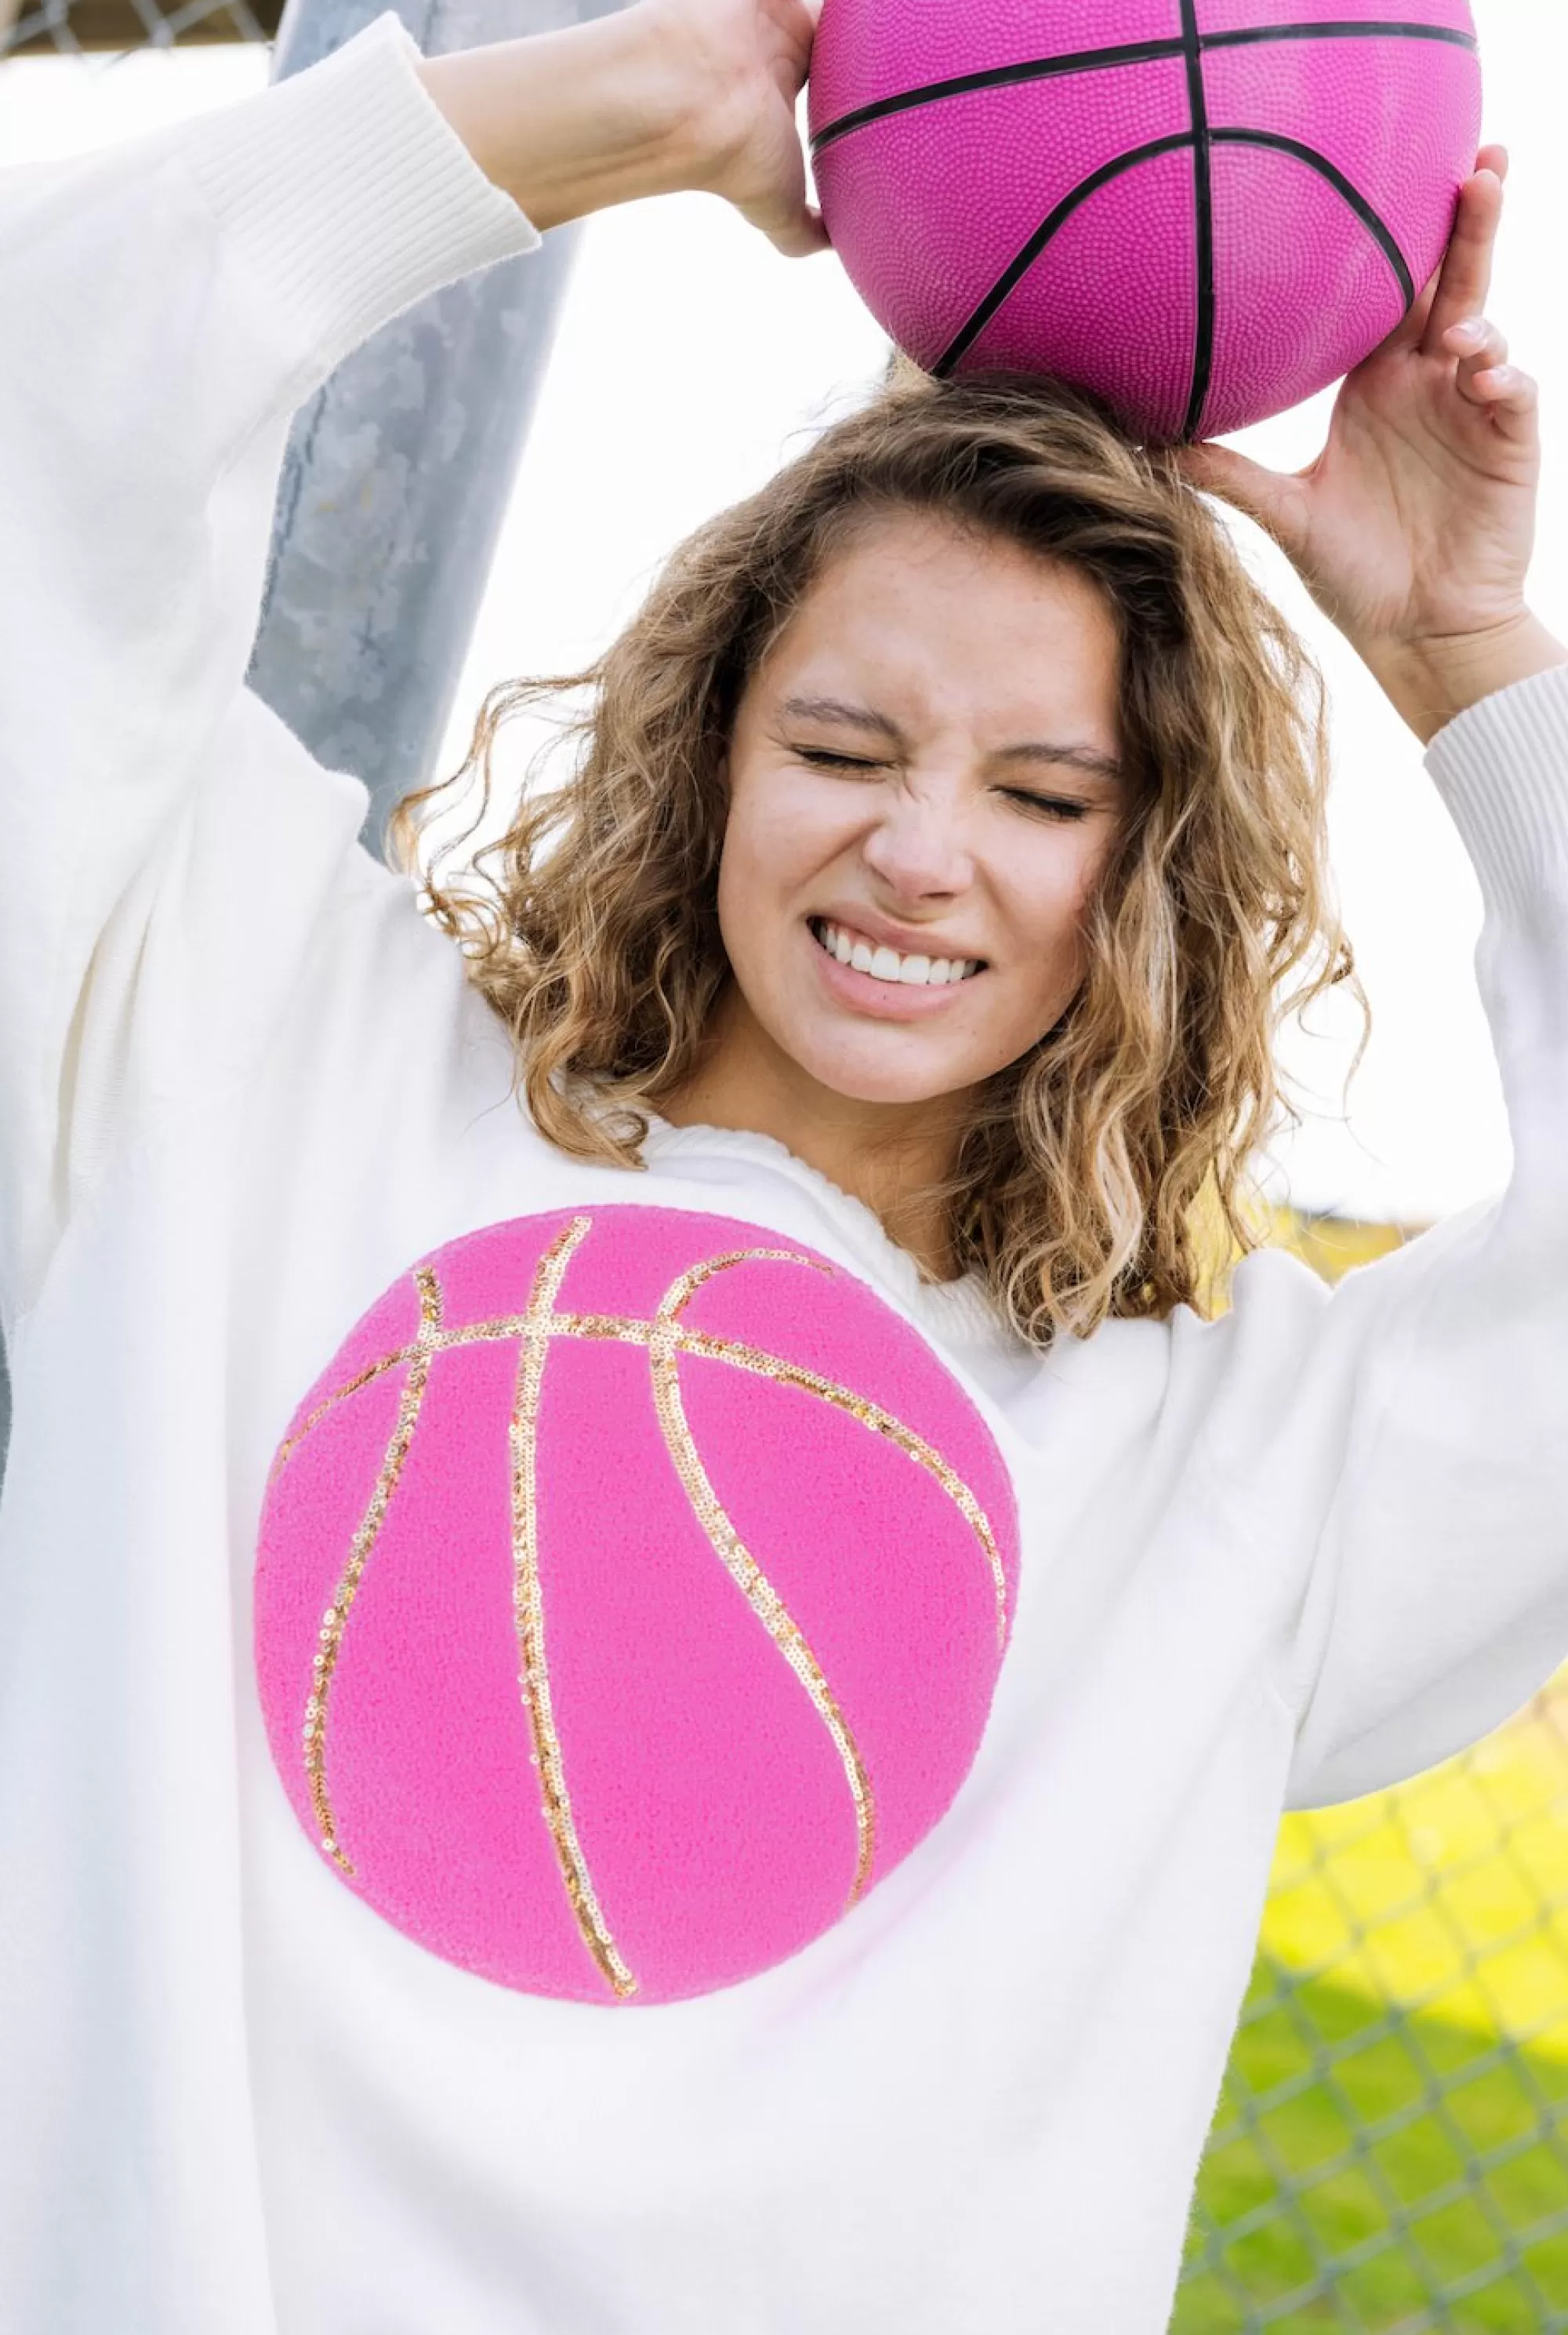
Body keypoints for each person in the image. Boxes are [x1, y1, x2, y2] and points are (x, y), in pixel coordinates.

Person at [1, 1, 1564, 2328]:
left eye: (1044, 796)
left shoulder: (1246, 1470)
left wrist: (1462, 653)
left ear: (1148, 869)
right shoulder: (254, 1046)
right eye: (841, 742)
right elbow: (48, 425)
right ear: (707, 750)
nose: (923, 851)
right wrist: (600, 118)